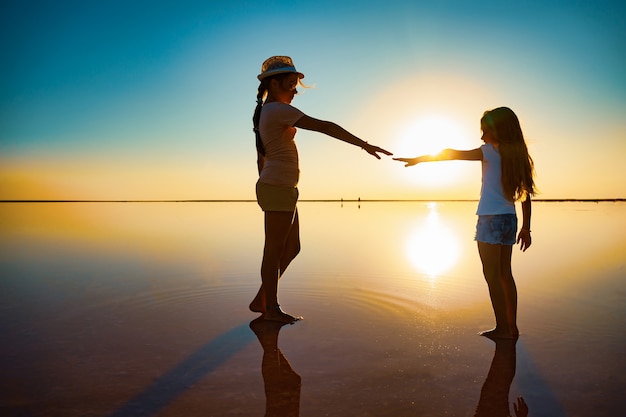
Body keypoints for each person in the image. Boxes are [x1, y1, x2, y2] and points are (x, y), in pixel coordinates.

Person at [250, 56, 392, 323]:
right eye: (291, 84)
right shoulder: (277, 110)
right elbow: (324, 127)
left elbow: (261, 155)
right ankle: (270, 309)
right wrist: (364, 144)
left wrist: (265, 182)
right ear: (277, 83)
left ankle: (262, 298)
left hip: (280, 187)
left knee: (292, 247)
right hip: (278, 187)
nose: (294, 91)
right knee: (273, 250)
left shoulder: (267, 112)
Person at [394, 107, 536, 339]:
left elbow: (451, 153)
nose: (481, 137)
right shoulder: (517, 155)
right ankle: (512, 326)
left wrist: (419, 159)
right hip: (510, 219)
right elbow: (526, 195)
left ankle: (503, 329)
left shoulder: (489, 151)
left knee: (492, 276)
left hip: (490, 220)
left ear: (497, 130)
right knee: (505, 274)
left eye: (485, 131)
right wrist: (526, 228)